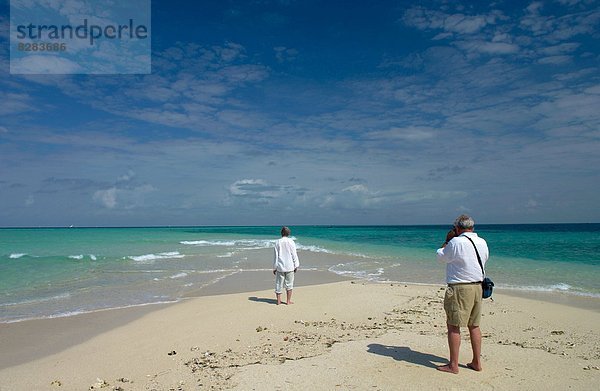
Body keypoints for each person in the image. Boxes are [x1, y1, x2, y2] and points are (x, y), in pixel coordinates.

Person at [436, 214, 489, 374]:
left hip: (460, 288)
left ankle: (453, 365)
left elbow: (440, 257)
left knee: (453, 326)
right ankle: (477, 362)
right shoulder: (482, 242)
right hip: (477, 287)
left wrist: (446, 241)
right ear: (472, 227)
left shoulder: (455, 242)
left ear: (458, 228)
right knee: (474, 325)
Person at [273, 226, 299, 305]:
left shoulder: (277, 242)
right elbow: (294, 254)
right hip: (290, 266)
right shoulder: (291, 241)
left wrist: (274, 267)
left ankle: (278, 301)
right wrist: (296, 265)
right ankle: (288, 301)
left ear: (281, 233)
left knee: (278, 283)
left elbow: (276, 256)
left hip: (280, 266)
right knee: (289, 284)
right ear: (288, 233)